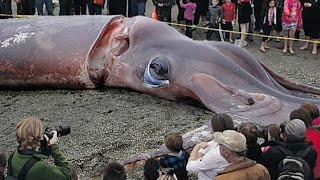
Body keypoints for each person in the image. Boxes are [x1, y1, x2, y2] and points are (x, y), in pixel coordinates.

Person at [7, 116, 71, 180]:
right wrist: (54, 146)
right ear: (37, 139)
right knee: (71, 169)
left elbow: (30, 157)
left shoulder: (12, 156)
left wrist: (45, 146)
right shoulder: (40, 167)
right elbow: (66, 175)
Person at [186, 113, 234, 180]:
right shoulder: (237, 141)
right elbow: (212, 144)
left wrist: (197, 147)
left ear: (214, 128)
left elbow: (190, 167)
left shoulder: (216, 154)